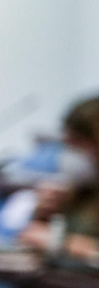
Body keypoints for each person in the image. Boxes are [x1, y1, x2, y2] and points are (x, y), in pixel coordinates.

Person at [20, 96, 99, 262]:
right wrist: (43, 215)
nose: (71, 153)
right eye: (67, 144)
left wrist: (58, 242)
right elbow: (32, 241)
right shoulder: (81, 191)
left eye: (78, 142)